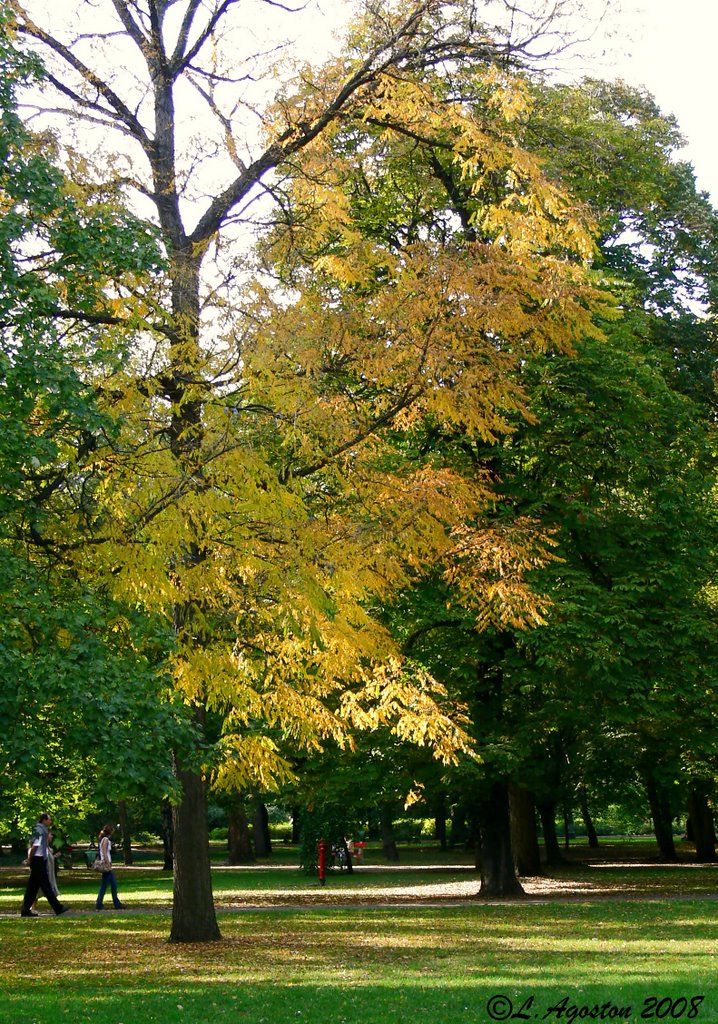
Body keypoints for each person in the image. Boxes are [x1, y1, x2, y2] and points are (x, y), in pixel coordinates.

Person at [20, 813, 69, 917]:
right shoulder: (39, 831)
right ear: (44, 820)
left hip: (38, 860)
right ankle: (58, 908)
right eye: (49, 820)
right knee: (46, 886)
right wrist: (30, 859)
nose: (50, 822)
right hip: (38, 860)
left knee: (32, 887)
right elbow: (34, 847)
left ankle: (25, 910)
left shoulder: (40, 830)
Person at [95, 824, 125, 911]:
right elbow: (104, 852)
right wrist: (108, 863)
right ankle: (104, 903)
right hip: (106, 864)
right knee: (108, 885)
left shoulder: (103, 839)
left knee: (111, 884)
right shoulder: (105, 840)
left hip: (107, 864)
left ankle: (108, 903)